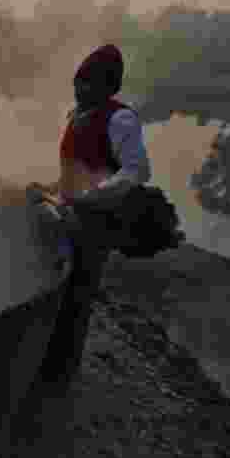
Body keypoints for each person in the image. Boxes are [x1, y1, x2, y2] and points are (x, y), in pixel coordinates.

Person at [29, 43, 153, 387]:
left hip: (95, 223)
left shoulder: (120, 119)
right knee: (55, 288)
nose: (79, 89)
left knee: (78, 295)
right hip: (69, 214)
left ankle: (60, 373)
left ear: (108, 87)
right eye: (77, 82)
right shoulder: (76, 116)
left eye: (87, 84)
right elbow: (73, 169)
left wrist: (91, 195)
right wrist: (52, 186)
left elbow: (136, 171)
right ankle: (42, 360)